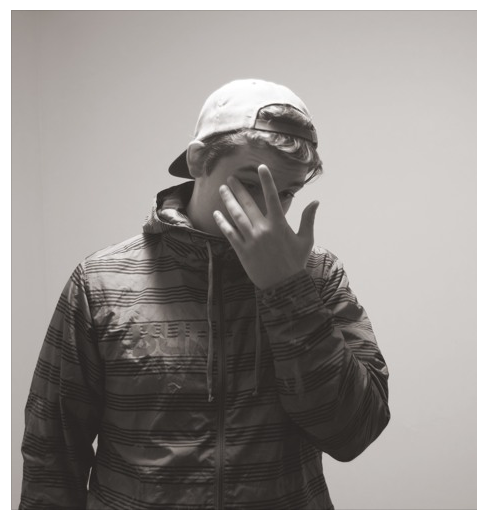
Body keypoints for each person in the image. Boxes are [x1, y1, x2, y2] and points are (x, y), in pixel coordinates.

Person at [19, 79, 391, 510]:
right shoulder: (100, 281)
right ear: (198, 160)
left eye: (287, 193)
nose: (268, 211)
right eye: (251, 184)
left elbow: (354, 432)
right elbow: (52, 453)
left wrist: (287, 290)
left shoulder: (317, 274)